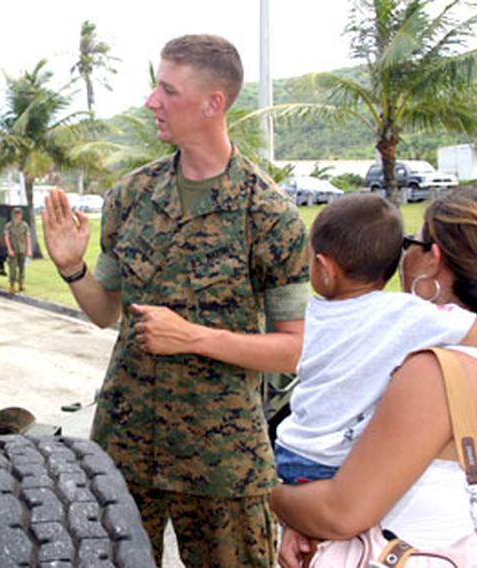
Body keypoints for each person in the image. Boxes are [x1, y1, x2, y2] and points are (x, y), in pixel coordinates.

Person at [43, 34, 309, 566]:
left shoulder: (269, 215)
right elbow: (104, 312)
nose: (151, 102)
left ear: (213, 103)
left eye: (167, 90)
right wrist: (71, 265)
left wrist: (193, 338)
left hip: (220, 460)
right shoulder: (131, 197)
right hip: (125, 447)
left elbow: (293, 350)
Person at [271, 186, 477, 568]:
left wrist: (277, 498)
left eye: (408, 243)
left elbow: (341, 512)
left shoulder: (433, 370)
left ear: (433, 259)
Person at [4, 206, 32, 293]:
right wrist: (9, 249)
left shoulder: (24, 225)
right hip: (13, 249)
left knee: (22, 267)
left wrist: (29, 249)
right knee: (12, 268)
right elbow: (7, 238)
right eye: (15, 214)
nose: (17, 215)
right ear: (13, 215)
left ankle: (21, 284)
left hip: (22, 249)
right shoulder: (8, 226)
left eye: (19, 214)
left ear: (21, 215)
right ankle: (12, 285)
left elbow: (27, 237)